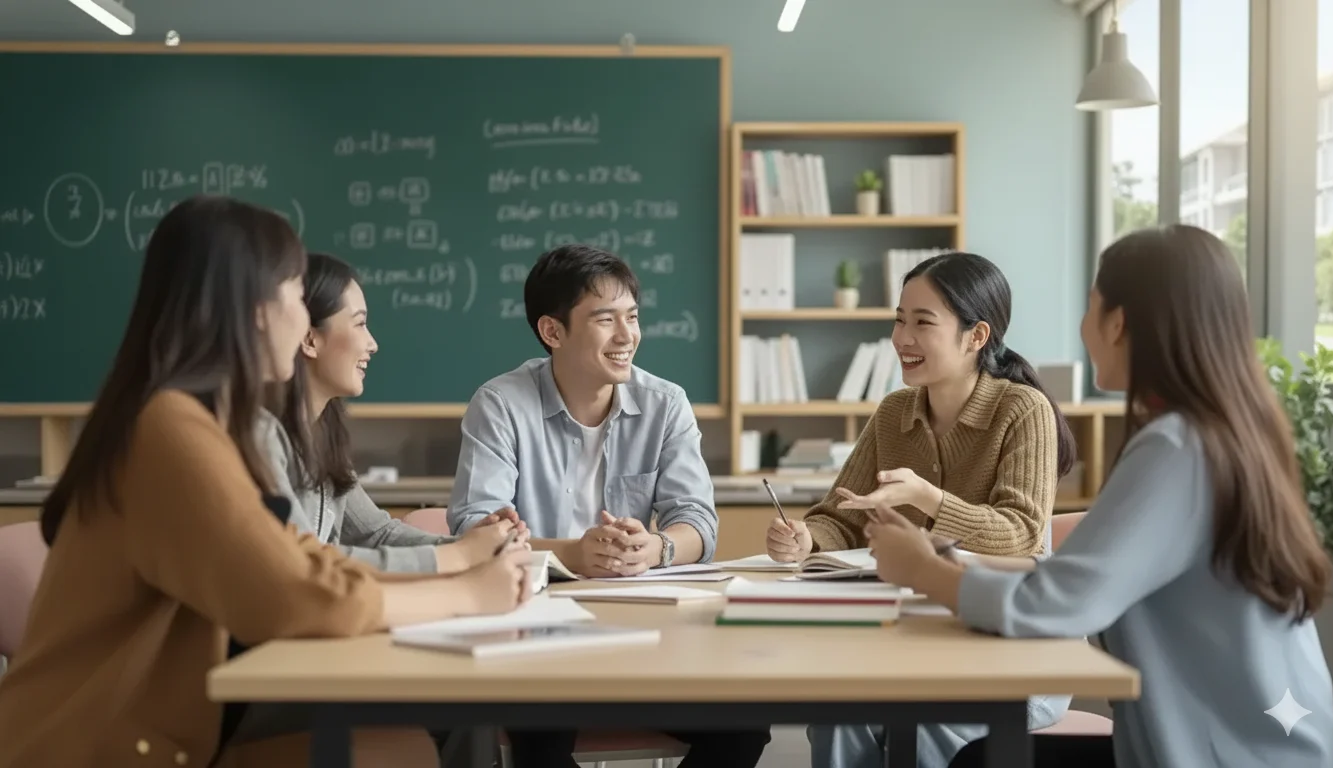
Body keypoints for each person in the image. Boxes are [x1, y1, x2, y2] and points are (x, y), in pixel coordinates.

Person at [0, 196, 532, 768]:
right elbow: (290, 594)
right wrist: (465, 590)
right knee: (410, 736)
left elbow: (299, 558)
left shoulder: (201, 421)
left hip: (176, 717)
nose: (304, 319)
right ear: (253, 307)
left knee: (436, 715)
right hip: (103, 743)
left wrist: (459, 569)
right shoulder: (171, 428)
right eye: (295, 294)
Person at [865, 225, 1333, 768]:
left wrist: (924, 569)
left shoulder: (1176, 448)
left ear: (1117, 323)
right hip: (1270, 744)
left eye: (1091, 307)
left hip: (1235, 755)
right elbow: (1072, 581)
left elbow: (1055, 604)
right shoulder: (1224, 434)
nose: (1083, 326)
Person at [448, 244, 770, 768]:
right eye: (605, 320)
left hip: (643, 631)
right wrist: (572, 554)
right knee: (540, 737)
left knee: (743, 723)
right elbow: (473, 529)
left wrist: (656, 548)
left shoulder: (666, 404)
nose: (627, 337)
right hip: (537, 630)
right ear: (553, 332)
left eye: (633, 317)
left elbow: (698, 523)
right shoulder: (501, 404)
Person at [765, 252, 1077, 768]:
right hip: (922, 640)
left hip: (1018, 651)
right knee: (841, 713)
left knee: (929, 721)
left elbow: (1021, 534)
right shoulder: (894, 412)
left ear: (976, 336)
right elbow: (843, 516)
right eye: (899, 319)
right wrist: (806, 538)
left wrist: (925, 497)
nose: (902, 338)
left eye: (922, 322)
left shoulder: (1022, 410)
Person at [261, 251, 528, 575]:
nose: (372, 344)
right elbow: (307, 563)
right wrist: (461, 557)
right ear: (309, 338)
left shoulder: (322, 433)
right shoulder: (262, 438)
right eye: (359, 323)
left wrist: (477, 546)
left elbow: (374, 534)